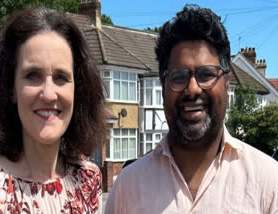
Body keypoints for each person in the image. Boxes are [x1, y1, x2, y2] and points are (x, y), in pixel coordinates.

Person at [105, 4, 278, 214]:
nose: (192, 89)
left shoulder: (269, 182)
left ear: (226, 83)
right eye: (179, 77)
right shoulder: (128, 185)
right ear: (163, 86)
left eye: (206, 75)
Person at [0, 7, 106, 213]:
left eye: (61, 78)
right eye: (32, 75)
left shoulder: (88, 179)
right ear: (11, 88)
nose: (48, 93)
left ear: (77, 90)